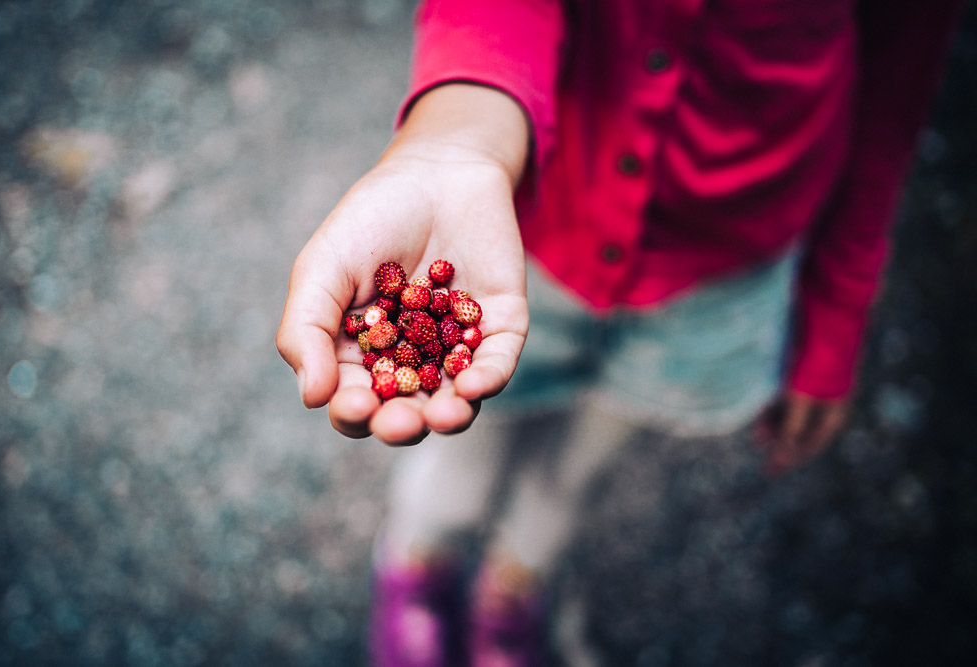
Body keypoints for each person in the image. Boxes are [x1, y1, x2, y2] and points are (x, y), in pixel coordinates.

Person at [276, 1, 962, 664]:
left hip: (721, 275)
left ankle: (513, 588)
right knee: (459, 462)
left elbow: (896, 79)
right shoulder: (466, 281)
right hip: (524, 240)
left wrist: (838, 307)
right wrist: (456, 140)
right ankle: (420, 567)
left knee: (575, 472)